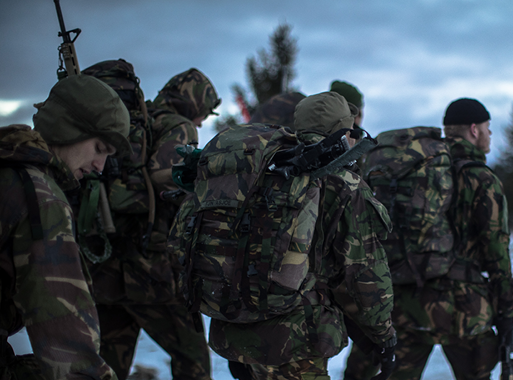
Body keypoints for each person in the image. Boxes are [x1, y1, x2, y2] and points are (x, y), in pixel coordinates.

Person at [208, 91, 397, 380]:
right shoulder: (342, 183)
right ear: (344, 131)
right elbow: (366, 273)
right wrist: (383, 336)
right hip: (296, 339)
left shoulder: (260, 168)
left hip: (235, 326)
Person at [86, 66, 219, 380]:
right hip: (151, 274)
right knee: (193, 358)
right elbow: (167, 178)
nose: (202, 121)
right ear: (194, 103)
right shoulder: (179, 126)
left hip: (105, 266)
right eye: (204, 113)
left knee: (108, 362)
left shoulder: (133, 122)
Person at [0, 74, 131, 379]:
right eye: (99, 147)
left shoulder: (9, 168)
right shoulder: (40, 197)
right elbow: (69, 353)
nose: (100, 166)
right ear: (67, 127)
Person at [388, 98, 513, 380]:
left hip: (409, 303)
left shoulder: (417, 171)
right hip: (463, 309)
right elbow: (498, 254)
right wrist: (506, 311)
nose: (489, 134)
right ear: (474, 129)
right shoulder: (482, 179)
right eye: (487, 127)